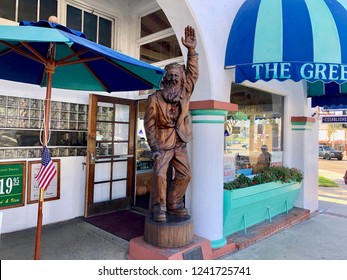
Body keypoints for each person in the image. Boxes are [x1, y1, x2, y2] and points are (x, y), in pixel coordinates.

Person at [144, 26, 199, 222]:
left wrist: (191, 51)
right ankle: (160, 207)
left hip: (180, 142)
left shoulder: (185, 92)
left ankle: (174, 203)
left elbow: (193, 73)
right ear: (165, 78)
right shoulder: (155, 99)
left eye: (177, 75)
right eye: (171, 76)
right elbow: (149, 125)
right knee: (159, 175)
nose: (174, 78)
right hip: (162, 142)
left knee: (186, 175)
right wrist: (154, 147)